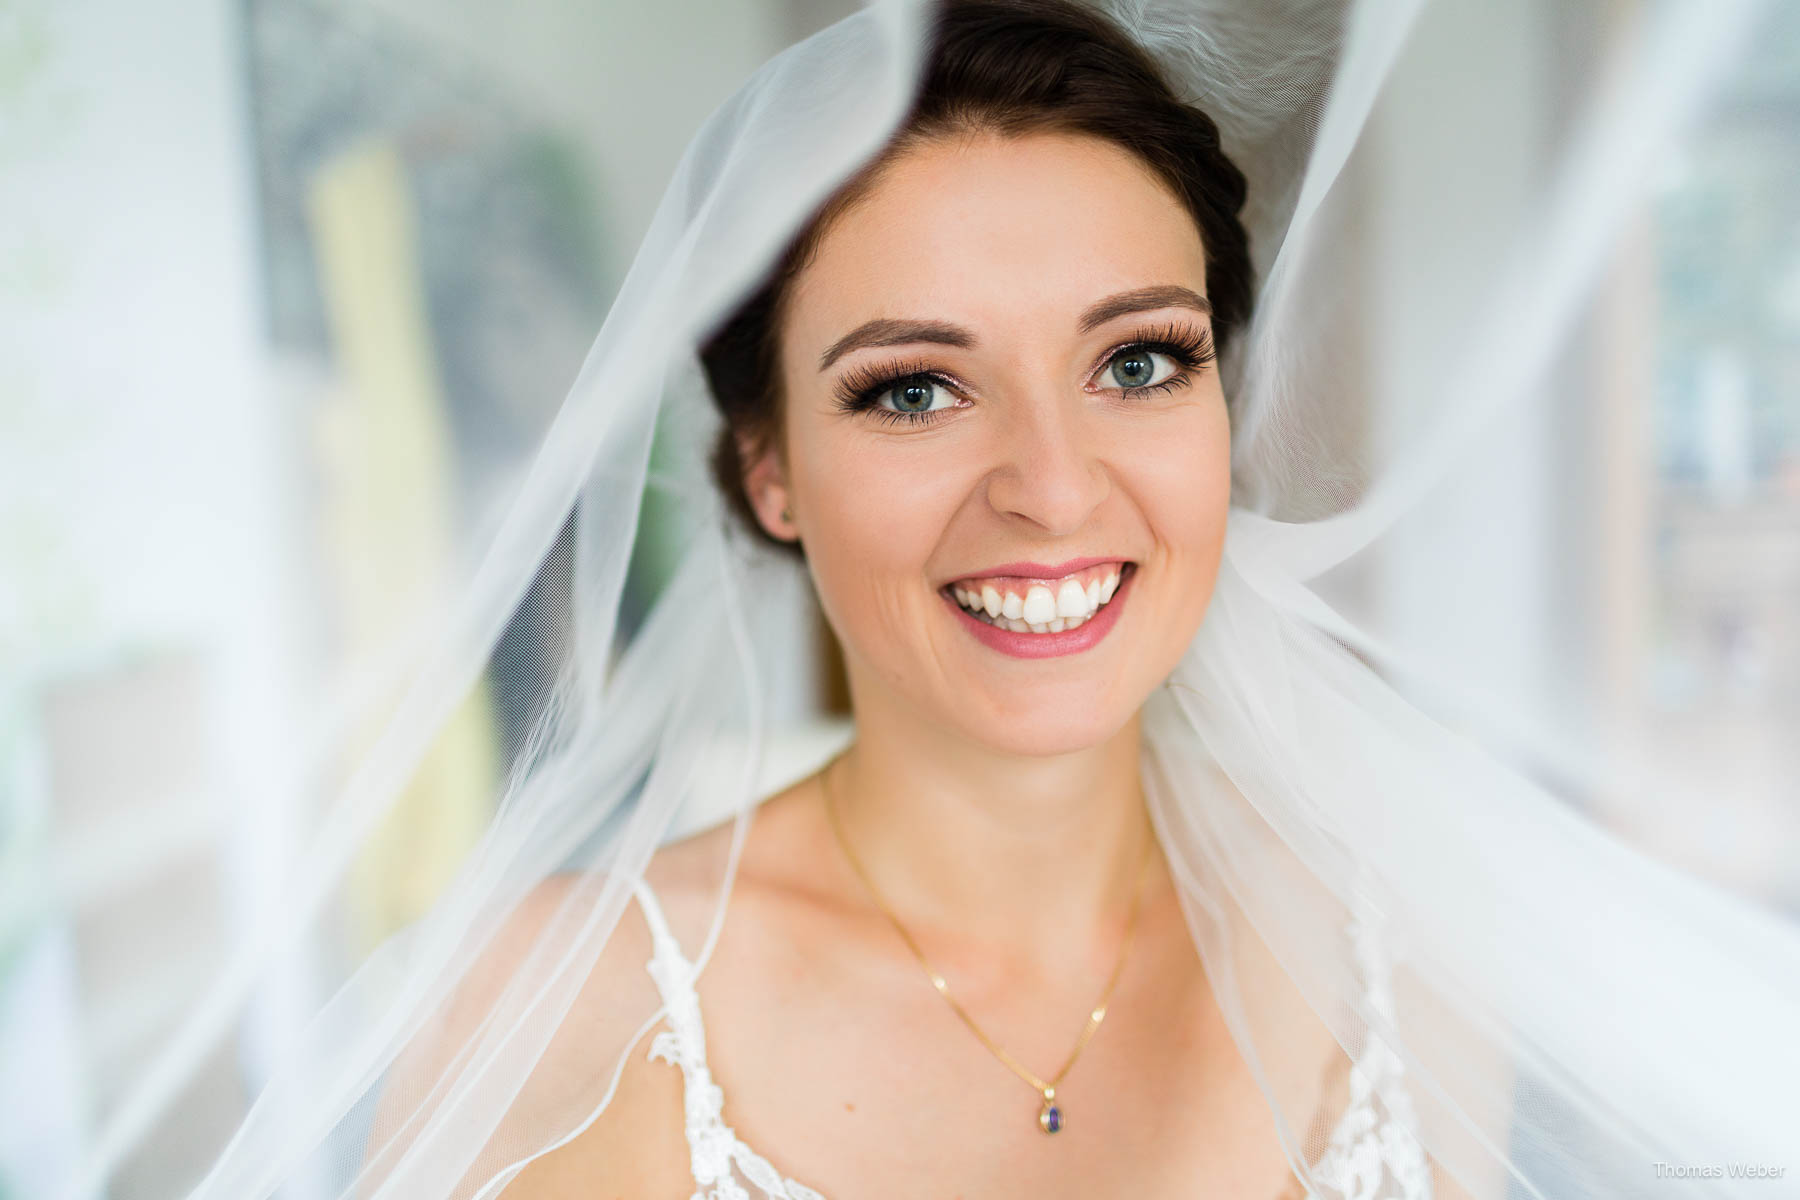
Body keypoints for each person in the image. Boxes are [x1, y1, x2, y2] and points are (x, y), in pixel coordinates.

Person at [109, 1, 1800, 1197]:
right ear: (767, 468)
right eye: (915, 389)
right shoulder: (565, 1017)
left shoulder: (1408, 951)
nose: (1055, 487)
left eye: (1139, 361)